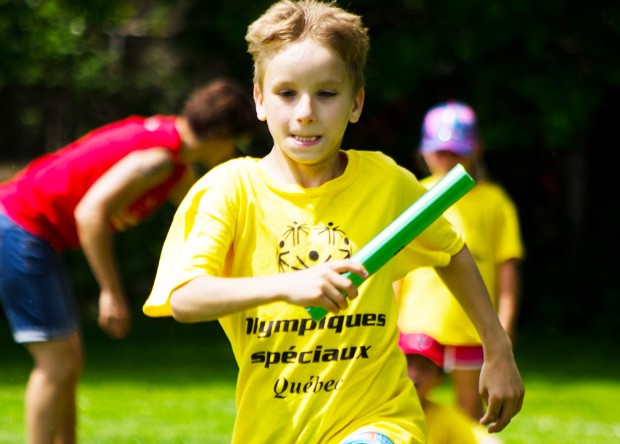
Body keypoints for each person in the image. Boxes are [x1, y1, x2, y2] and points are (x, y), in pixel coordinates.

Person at [143, 2, 524, 443]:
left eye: (326, 94)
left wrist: (498, 349)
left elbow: (451, 251)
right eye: (287, 93)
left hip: (380, 421)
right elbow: (185, 298)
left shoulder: (387, 183)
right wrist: (288, 285)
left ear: (356, 102)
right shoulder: (229, 190)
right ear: (260, 100)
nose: (306, 111)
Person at [0, 77, 258, 444]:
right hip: (19, 227)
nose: (234, 152)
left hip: (28, 232)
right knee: (55, 364)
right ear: (220, 132)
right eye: (239, 140)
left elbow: (201, 218)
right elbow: (90, 215)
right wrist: (111, 292)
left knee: (68, 361)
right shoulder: (157, 159)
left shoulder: (175, 161)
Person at [395, 100, 525, 421]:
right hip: (417, 325)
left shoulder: (493, 202)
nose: (448, 158)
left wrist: (503, 328)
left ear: (475, 149)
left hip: (471, 329)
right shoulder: (414, 195)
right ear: (424, 151)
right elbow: (397, 266)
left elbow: (506, 269)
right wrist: (392, 318)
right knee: (409, 407)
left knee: (471, 409)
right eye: (440, 151)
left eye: (456, 151)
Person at [399, 332, 504, 444]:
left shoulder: (445, 419)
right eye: (407, 363)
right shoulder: (380, 406)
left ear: (439, 379)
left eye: (425, 368)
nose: (414, 374)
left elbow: (486, 440)